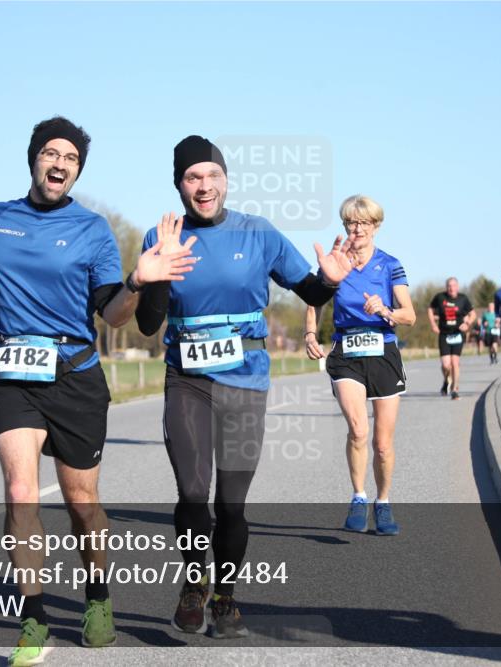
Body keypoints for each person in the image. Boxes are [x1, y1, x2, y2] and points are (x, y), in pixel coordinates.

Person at [0, 117, 197, 665]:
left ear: (77, 171)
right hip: (11, 375)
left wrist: (137, 281)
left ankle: (97, 596)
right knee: (20, 492)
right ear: (33, 159)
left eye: (70, 158)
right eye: (51, 153)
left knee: (82, 505)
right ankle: (33, 618)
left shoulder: (93, 229)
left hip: (75, 377)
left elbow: (115, 316)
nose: (60, 163)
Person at [135, 136, 355, 639]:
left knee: (231, 505)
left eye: (213, 175)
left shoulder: (258, 233)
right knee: (193, 494)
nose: (204, 186)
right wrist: (160, 272)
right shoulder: (161, 235)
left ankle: (226, 599)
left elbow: (308, 288)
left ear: (226, 180)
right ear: (179, 185)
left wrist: (330, 281)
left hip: (245, 382)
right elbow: (148, 324)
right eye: (193, 177)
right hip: (187, 380)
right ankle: (195, 585)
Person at [306, 195, 415, 532]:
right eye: (351, 222)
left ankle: (383, 503)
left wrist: (385, 310)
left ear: (376, 226)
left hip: (383, 352)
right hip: (347, 353)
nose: (357, 229)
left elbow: (409, 315)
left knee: (382, 444)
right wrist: (310, 333)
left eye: (364, 223)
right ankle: (358, 497)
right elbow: (314, 301)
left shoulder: (390, 265)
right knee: (358, 430)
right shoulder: (336, 263)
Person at [428, 277, 474, 400]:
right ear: (446, 287)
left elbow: (473, 314)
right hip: (444, 334)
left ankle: (455, 389)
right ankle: (446, 380)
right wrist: (433, 324)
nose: (451, 288)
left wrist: (467, 324)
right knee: (445, 365)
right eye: (449, 285)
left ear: (457, 287)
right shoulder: (440, 297)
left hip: (458, 334)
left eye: (453, 285)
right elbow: (430, 309)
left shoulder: (463, 299)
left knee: (455, 362)